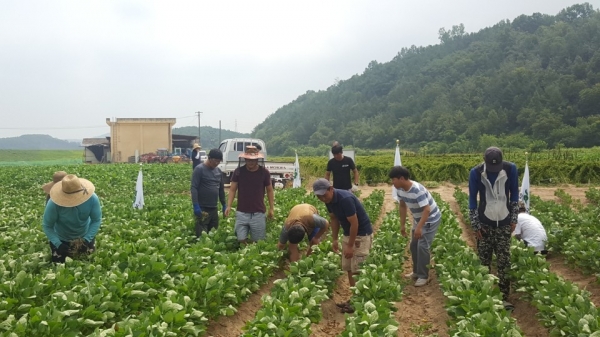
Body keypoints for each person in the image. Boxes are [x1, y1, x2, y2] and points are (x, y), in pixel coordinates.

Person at [468, 146, 519, 310]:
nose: (494, 170)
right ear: (485, 162)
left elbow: (514, 195)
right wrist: (475, 224)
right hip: (484, 224)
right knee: (484, 262)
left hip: (504, 222)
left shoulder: (510, 169)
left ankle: (504, 298)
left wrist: (513, 218)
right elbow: (472, 200)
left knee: (504, 262)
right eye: (491, 167)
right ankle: (486, 297)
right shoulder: (476, 173)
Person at [313, 178, 373, 313]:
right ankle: (355, 299)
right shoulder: (329, 201)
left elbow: (355, 223)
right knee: (349, 268)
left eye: (324, 194)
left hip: (361, 235)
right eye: (319, 196)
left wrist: (351, 246)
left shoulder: (345, 199)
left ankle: (360, 302)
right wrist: (334, 239)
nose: (322, 198)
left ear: (331, 189)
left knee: (358, 269)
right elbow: (334, 219)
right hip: (348, 234)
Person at [389, 166, 441, 287]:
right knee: (413, 245)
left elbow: (427, 210)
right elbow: (402, 206)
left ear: (401, 178)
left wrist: (419, 228)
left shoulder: (417, 190)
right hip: (419, 218)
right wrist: (402, 225)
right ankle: (416, 272)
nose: (392, 182)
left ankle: (424, 276)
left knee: (422, 246)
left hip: (430, 219)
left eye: (393, 179)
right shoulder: (400, 189)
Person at [42, 174, 102, 263]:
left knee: (89, 261)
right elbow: (47, 226)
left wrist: (86, 240)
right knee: (59, 263)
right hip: (61, 238)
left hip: (84, 235)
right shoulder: (53, 203)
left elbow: (96, 220)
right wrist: (59, 244)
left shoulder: (92, 198)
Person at [225, 146, 274, 244]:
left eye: (253, 160)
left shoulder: (264, 172)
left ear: (257, 160)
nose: (250, 162)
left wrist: (271, 208)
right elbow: (232, 190)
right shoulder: (238, 172)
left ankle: (252, 255)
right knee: (240, 238)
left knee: (258, 241)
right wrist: (229, 206)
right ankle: (245, 251)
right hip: (241, 212)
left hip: (258, 213)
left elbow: (269, 190)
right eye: (248, 160)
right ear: (244, 159)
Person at [191, 149, 226, 237]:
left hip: (213, 208)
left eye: (219, 161)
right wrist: (196, 205)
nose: (217, 163)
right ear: (209, 158)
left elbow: (221, 189)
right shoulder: (199, 169)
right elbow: (194, 187)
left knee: (213, 234)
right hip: (202, 208)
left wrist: (224, 204)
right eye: (215, 161)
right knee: (202, 236)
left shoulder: (218, 171)